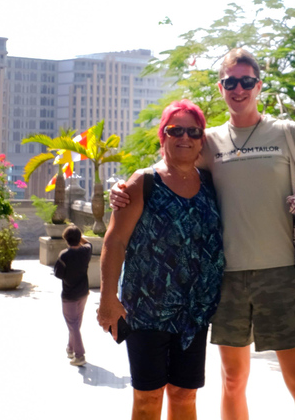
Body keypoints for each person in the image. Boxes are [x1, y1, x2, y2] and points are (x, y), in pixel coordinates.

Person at [111, 48, 295, 420]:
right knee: (231, 380)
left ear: (258, 85)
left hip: (280, 274)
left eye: (246, 81)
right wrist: (120, 187)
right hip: (225, 279)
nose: (239, 89)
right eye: (231, 82)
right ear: (221, 86)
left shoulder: (287, 133)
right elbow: (171, 165)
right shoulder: (208, 141)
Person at [98, 99, 225, 420]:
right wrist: (107, 298)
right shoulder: (144, 182)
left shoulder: (211, 182)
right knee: (148, 397)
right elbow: (114, 241)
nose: (184, 137)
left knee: (185, 396)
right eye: (175, 129)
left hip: (193, 312)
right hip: (145, 310)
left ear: (201, 139)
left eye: (193, 131)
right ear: (163, 136)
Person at [54, 225, 93, 367]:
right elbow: (88, 243)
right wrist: (79, 237)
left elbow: (58, 274)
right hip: (83, 292)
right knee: (75, 324)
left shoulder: (64, 255)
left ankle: (79, 355)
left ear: (66, 239)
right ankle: (70, 348)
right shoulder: (86, 251)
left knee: (73, 324)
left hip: (69, 294)